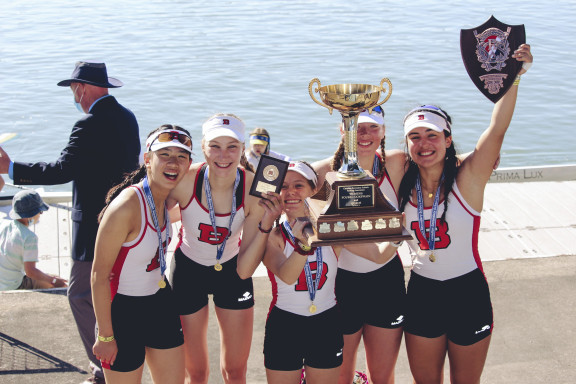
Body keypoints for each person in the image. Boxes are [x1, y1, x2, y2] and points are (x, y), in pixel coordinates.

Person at [398, 44, 533, 383]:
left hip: (467, 293)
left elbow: (497, 129)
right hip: (422, 294)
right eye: (414, 137)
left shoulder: (468, 177)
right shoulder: (400, 181)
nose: (423, 143)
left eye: (432, 135)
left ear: (447, 139)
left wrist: (514, 78)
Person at [0, 60, 140, 384]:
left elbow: (62, 171)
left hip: (93, 229)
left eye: (74, 90)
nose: (74, 97)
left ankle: (104, 366)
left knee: (80, 294)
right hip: (125, 222)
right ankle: (114, 362)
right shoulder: (128, 118)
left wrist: (10, 168)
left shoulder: (87, 125)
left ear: (81, 88)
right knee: (112, 293)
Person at [168, 113, 282, 384]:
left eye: (232, 146)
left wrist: (267, 224)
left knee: (235, 371)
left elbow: (244, 270)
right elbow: (153, 216)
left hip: (233, 270)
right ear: (203, 147)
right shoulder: (185, 180)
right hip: (188, 270)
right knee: (195, 373)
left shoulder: (256, 189)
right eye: (215, 146)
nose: (223, 155)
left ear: (243, 149)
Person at [263, 161, 401, 384]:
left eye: (298, 185)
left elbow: (378, 256)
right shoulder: (273, 235)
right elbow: (287, 276)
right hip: (285, 325)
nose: (290, 192)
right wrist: (303, 245)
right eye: (284, 186)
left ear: (313, 191)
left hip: (325, 324)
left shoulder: (332, 230)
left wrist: (397, 234)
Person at [312, 105, 407, 384]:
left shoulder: (397, 163)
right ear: (343, 130)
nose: (364, 135)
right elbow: (282, 185)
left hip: (386, 281)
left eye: (372, 127)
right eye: (356, 127)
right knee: (341, 375)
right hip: (341, 283)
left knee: (383, 375)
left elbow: (439, 161)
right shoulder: (322, 172)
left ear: (383, 132)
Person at [91, 125, 192, 384]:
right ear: (147, 159)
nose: (173, 163)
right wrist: (105, 336)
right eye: (165, 154)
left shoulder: (165, 199)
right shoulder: (126, 207)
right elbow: (98, 276)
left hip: (160, 302)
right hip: (122, 312)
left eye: (181, 156)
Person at [0, 189, 68, 291]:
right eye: (40, 212)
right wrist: (54, 281)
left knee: (49, 277)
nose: (40, 215)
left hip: (2, 281)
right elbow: (31, 272)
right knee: (60, 285)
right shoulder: (29, 237)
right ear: (31, 215)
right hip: (13, 285)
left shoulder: (3, 224)